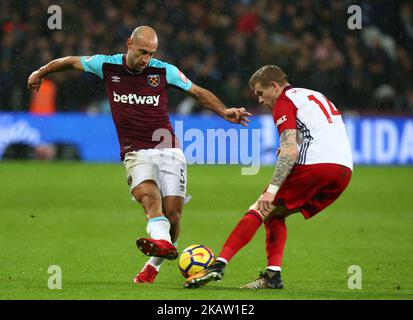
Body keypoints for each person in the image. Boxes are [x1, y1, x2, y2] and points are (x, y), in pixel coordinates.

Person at [27, 26, 251, 284]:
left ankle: (154, 263)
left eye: (151, 53)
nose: (146, 59)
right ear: (129, 43)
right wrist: (40, 71)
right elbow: (70, 62)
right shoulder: (106, 65)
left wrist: (224, 112)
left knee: (173, 215)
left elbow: (197, 92)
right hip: (135, 152)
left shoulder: (163, 70)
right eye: (142, 52)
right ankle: (163, 244)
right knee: (148, 198)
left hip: (169, 149)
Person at [185, 65, 353, 289]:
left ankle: (218, 265)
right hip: (344, 170)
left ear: (274, 86)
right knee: (275, 214)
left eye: (260, 93)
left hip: (316, 164)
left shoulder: (283, 101)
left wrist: (272, 190)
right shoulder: (311, 94)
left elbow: (290, 150)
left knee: (260, 207)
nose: (260, 100)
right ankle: (273, 274)